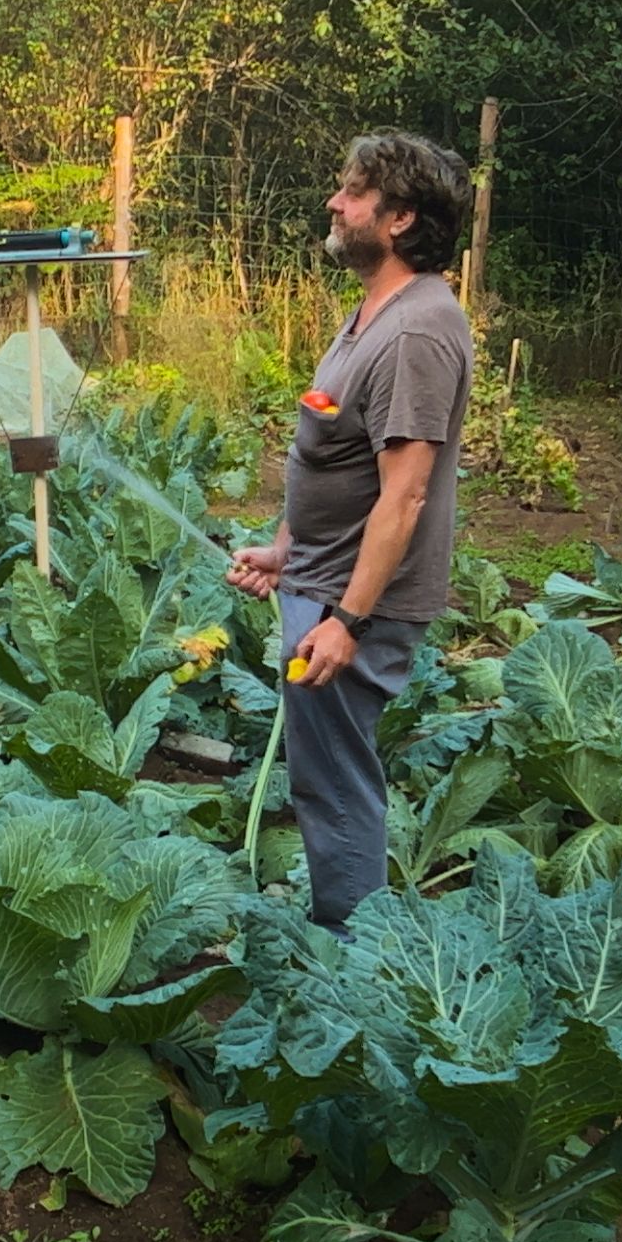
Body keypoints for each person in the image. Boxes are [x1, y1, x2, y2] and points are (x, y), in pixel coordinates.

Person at [226, 132, 475, 930]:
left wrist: (347, 621)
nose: (336, 203)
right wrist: (286, 551)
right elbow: (343, 461)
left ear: (399, 217)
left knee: (335, 786)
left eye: (353, 192)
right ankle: (349, 929)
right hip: (322, 583)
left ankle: (352, 954)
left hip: (349, 606)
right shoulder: (374, 311)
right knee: (323, 776)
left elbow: (403, 494)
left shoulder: (413, 335)